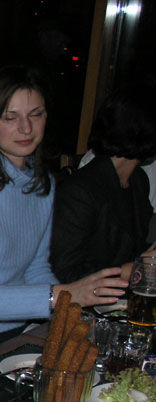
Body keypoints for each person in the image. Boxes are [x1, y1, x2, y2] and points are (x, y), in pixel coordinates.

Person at [0, 65, 128, 370]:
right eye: (10, 118)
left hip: (18, 331)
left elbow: (36, 269)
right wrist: (65, 295)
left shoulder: (40, 184)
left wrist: (73, 308)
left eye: (36, 114)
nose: (26, 128)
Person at [50, 89, 156, 282]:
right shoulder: (81, 191)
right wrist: (127, 271)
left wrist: (147, 258)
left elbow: (129, 249)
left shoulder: (138, 181)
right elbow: (63, 273)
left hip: (117, 295)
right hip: (82, 297)